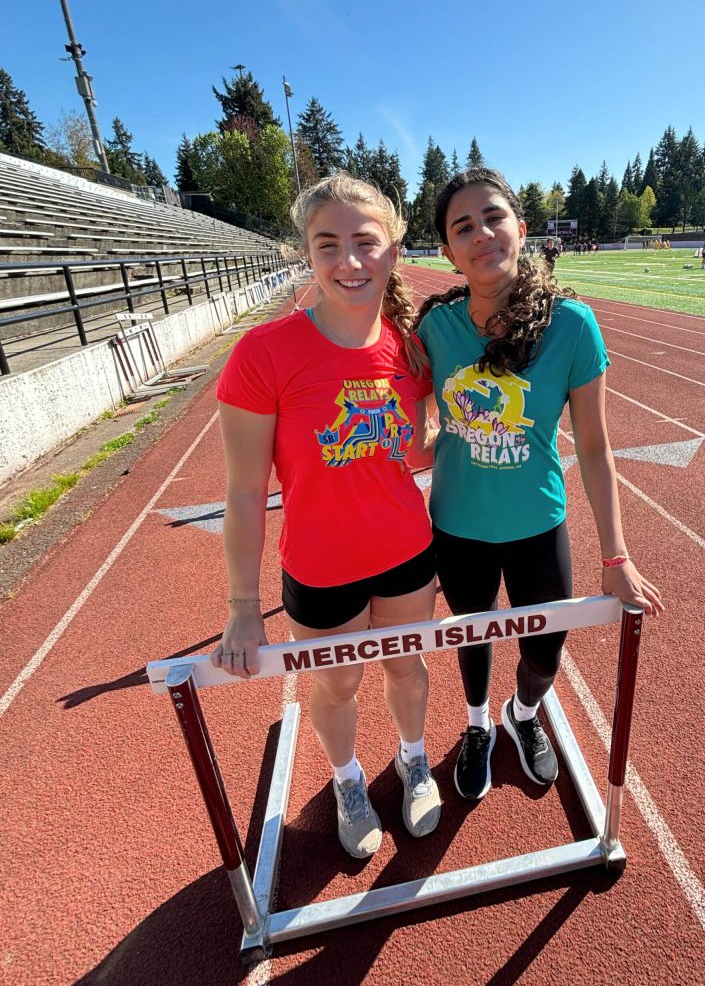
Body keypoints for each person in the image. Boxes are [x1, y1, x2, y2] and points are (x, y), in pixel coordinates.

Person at [413, 167, 664, 803]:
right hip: (458, 526)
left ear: (521, 229)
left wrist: (616, 556)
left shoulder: (573, 326)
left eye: (493, 217)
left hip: (538, 524)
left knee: (544, 655)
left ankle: (521, 717)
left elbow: (599, 447)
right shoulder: (435, 329)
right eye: (462, 226)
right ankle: (476, 725)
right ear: (447, 251)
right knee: (471, 637)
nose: (481, 234)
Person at [212, 173, 441, 859]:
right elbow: (245, 491)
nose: (348, 261)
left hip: (406, 553)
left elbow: (412, 454)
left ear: (392, 251)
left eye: (364, 243)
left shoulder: (411, 350)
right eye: (327, 244)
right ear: (306, 254)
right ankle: (346, 781)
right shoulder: (263, 354)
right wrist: (243, 605)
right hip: (318, 567)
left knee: (407, 668)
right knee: (337, 680)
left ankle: (412, 759)